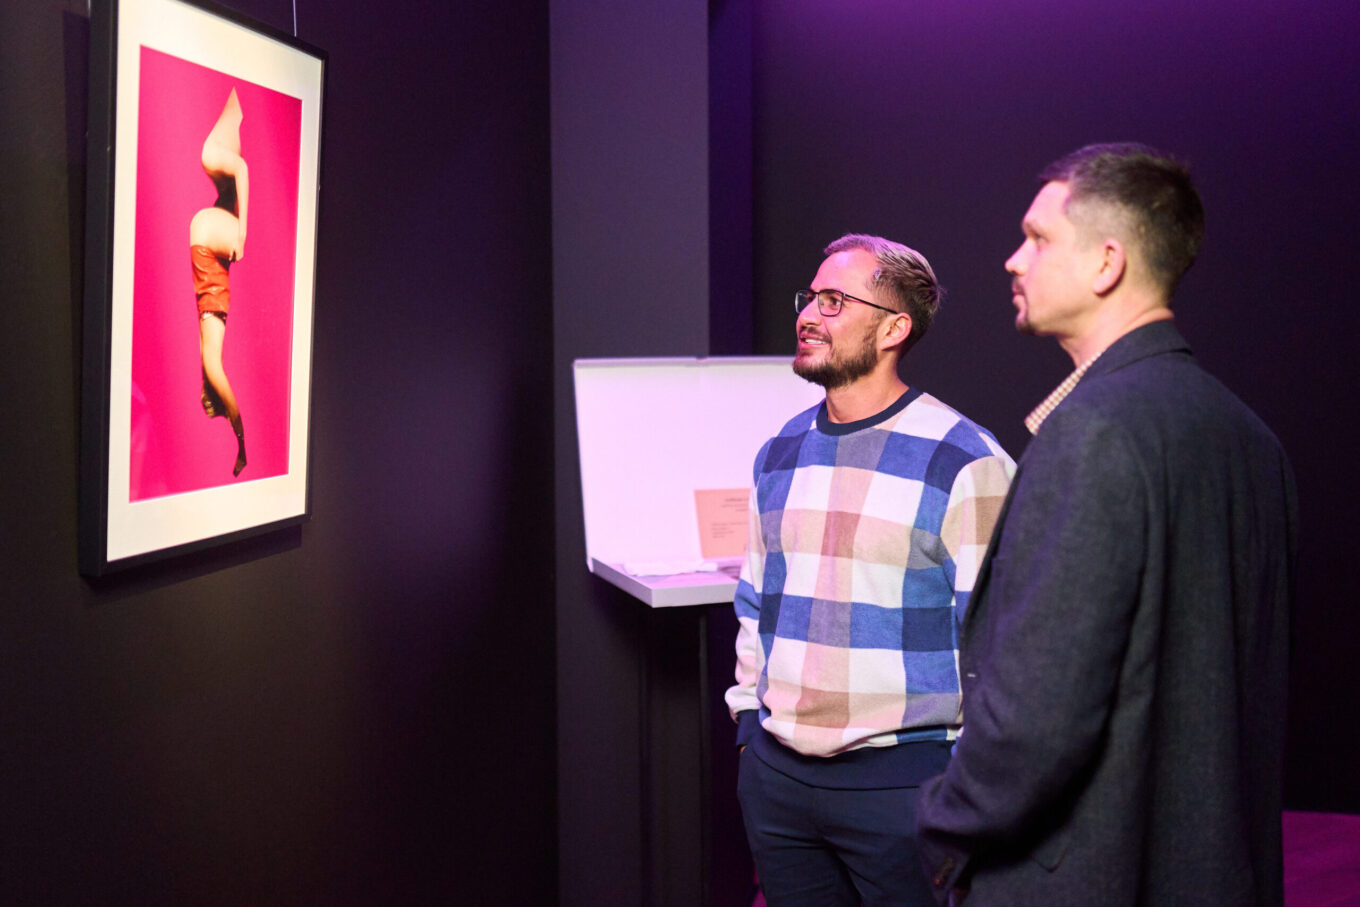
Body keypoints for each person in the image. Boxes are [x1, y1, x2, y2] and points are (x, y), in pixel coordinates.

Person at [915, 144, 1297, 906]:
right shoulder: (1253, 439)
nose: (1013, 259)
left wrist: (940, 829)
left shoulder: (1093, 432)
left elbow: (1034, 718)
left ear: (1106, 263)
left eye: (1038, 237)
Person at [726, 234, 1016, 905]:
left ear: (893, 328)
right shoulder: (780, 450)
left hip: (905, 789)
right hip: (778, 785)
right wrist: (748, 736)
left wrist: (961, 787)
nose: (807, 315)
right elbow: (755, 603)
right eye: (810, 298)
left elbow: (1002, 644)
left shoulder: (965, 460)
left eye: (833, 300)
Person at [189, 87, 249, 477]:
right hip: (210, 262)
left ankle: (242, 442)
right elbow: (240, 168)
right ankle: (242, 441)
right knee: (211, 362)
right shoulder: (212, 154)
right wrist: (241, 232)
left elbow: (241, 169)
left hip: (209, 256)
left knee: (210, 361)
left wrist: (242, 232)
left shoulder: (211, 154)